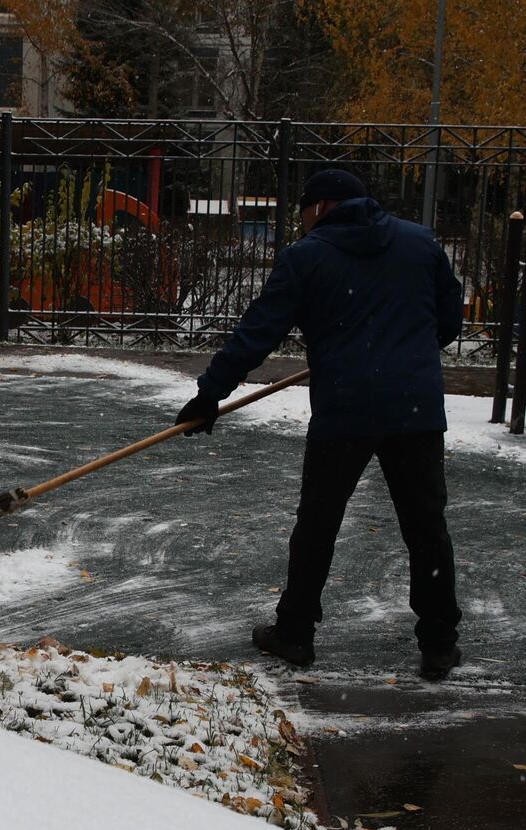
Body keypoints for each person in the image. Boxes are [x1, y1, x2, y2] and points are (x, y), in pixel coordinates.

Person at [174, 168, 465, 679]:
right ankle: (439, 643)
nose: (302, 223)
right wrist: (403, 357)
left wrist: (208, 395)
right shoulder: (419, 244)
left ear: (323, 207)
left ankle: (295, 634)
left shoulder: (306, 257)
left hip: (346, 409)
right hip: (413, 408)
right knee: (425, 527)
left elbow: (257, 333)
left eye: (304, 213)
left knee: (318, 524)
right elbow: (450, 321)